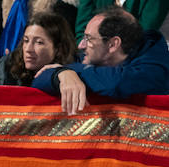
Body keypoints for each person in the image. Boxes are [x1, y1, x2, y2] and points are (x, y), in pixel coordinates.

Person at [35, 6, 169, 111]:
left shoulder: (155, 64)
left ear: (112, 44)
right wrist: (62, 74)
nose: (81, 45)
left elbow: (117, 83)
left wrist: (73, 71)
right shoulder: (91, 56)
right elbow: (39, 79)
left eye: (88, 38)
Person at [0, 10, 76, 86]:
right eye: (26, 41)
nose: (28, 49)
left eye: (39, 42)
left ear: (58, 48)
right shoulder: (6, 68)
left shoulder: (74, 68)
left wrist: (62, 72)